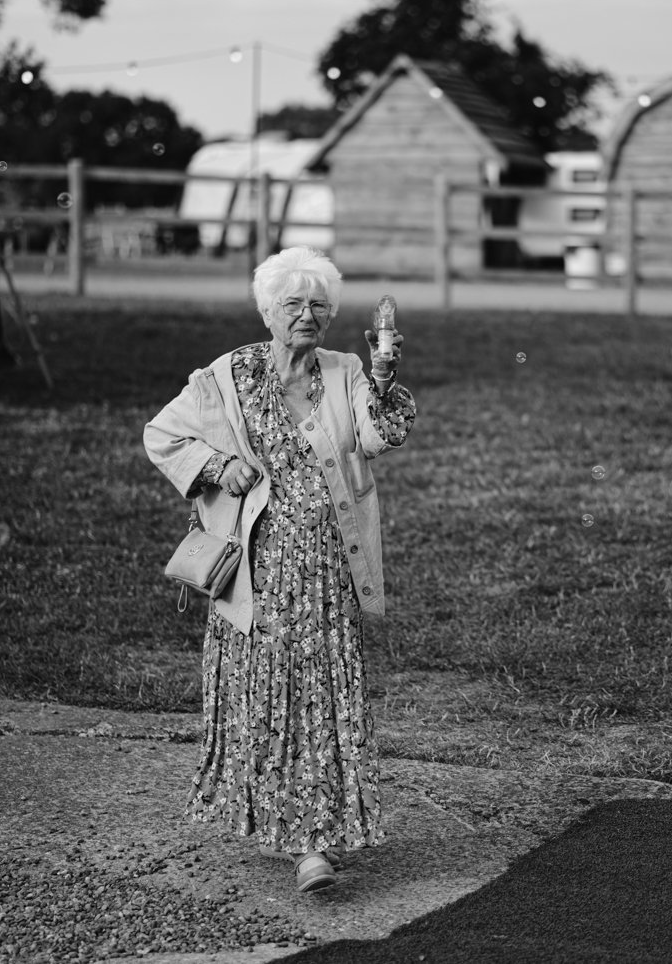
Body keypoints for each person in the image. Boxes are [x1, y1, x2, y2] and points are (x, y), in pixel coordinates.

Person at [143, 245, 414, 894]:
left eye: (319, 304)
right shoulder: (230, 373)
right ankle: (282, 822)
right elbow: (163, 434)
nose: (308, 314)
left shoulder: (346, 370)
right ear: (269, 309)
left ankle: (311, 845)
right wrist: (217, 467)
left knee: (321, 702)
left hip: (326, 574)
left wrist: (380, 377)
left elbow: (381, 435)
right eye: (293, 303)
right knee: (271, 704)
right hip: (257, 575)